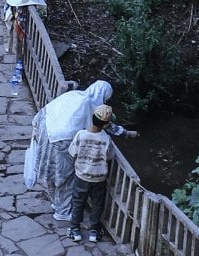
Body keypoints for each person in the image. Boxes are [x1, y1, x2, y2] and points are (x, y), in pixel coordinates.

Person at [24, 81, 139, 222]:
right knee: (65, 176)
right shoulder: (91, 106)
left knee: (53, 172)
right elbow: (107, 125)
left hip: (46, 129)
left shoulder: (74, 94)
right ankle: (63, 211)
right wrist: (126, 133)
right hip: (61, 139)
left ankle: (56, 202)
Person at [67, 104, 118, 243]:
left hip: (81, 176)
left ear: (92, 117)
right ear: (106, 124)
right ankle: (94, 231)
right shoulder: (106, 139)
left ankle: (75, 229)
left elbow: (72, 152)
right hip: (99, 178)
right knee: (97, 204)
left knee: (78, 202)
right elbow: (109, 157)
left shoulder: (81, 135)